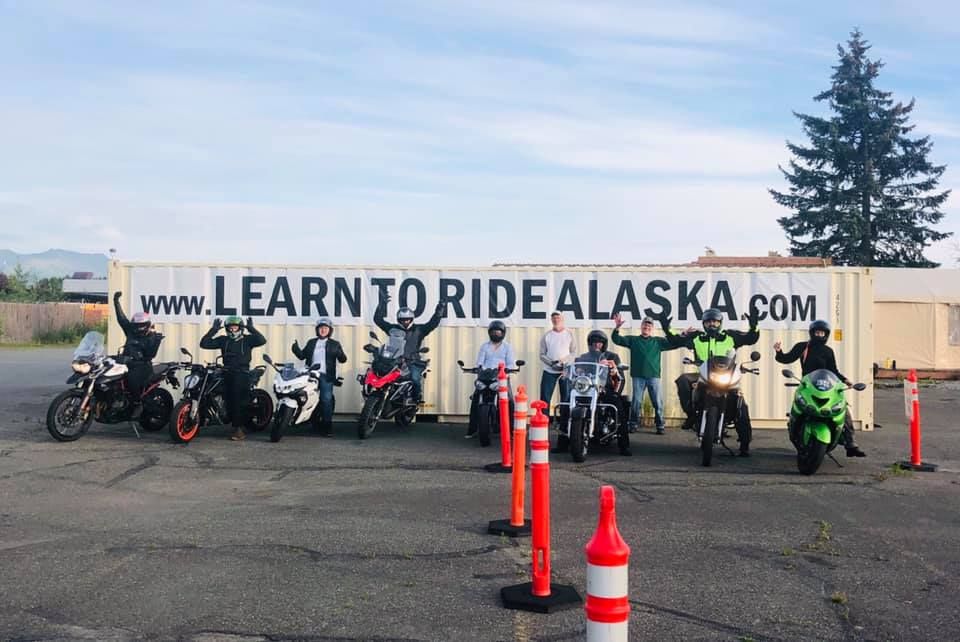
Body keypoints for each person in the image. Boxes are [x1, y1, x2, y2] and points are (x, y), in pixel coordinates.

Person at [672, 307, 759, 456]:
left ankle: (745, 444)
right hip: (704, 374)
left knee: (741, 405)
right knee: (682, 380)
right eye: (708, 322)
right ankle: (691, 414)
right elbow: (675, 340)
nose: (712, 324)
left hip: (726, 375)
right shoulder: (697, 337)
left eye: (715, 322)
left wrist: (754, 324)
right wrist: (669, 328)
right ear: (704, 324)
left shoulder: (730, 336)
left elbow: (751, 338)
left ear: (720, 323)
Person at [775, 319, 866, 457]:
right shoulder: (802, 347)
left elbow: (833, 370)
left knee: (843, 408)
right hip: (808, 385)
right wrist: (779, 351)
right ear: (812, 333)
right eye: (817, 332)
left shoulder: (828, 351)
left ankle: (850, 443)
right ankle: (795, 428)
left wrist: (846, 381)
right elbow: (786, 358)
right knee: (799, 405)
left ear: (826, 334)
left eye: (822, 332)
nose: (819, 335)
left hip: (825, 386)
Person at [553, 330, 632, 456]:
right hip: (586, 390)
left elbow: (619, 376)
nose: (596, 345)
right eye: (594, 342)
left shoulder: (612, 357)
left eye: (600, 343)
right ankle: (562, 444)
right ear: (589, 343)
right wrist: (569, 371)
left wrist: (613, 368)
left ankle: (624, 446)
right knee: (566, 405)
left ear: (604, 344)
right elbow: (577, 371)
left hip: (604, 389)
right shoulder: (582, 358)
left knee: (619, 408)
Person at [612, 313, 687, 434]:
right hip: (638, 377)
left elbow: (674, 343)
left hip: (654, 377)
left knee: (657, 402)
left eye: (649, 326)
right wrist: (617, 328)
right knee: (636, 402)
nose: (647, 327)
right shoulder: (633, 340)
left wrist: (683, 335)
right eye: (645, 325)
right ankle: (633, 424)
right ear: (641, 327)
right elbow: (617, 340)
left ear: (652, 329)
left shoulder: (658, 341)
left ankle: (660, 425)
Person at [200, 315, 266, 441]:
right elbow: (204, 344)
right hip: (226, 370)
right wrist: (213, 330)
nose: (232, 330)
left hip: (242, 373)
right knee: (208, 384)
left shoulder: (247, 340)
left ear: (240, 328)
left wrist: (252, 328)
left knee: (235, 396)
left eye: (235, 327)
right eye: (230, 327)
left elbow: (262, 340)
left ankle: (238, 429)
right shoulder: (223, 340)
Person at [373, 293, 445, 403]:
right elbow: (378, 320)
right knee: (379, 375)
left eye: (407, 319)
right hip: (394, 360)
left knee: (415, 378)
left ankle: (416, 398)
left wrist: (440, 309)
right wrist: (381, 305)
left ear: (411, 319)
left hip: (412, 361)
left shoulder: (419, 330)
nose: (405, 321)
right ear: (399, 320)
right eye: (402, 319)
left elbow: (432, 323)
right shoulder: (392, 329)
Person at [291, 317, 347, 437]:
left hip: (326, 376)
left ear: (330, 330)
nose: (323, 330)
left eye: (326, 328)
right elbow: (302, 356)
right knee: (303, 395)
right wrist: (296, 349)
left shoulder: (334, 344)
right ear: (317, 330)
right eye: (321, 328)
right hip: (311, 373)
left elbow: (343, 360)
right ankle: (303, 419)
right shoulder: (311, 342)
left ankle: (327, 427)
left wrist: (339, 353)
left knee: (325, 399)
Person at [466, 320, 516, 438]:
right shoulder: (485, 346)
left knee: (510, 401)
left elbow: (510, 363)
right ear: (489, 333)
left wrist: (508, 369)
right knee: (475, 399)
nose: (496, 334)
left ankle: (511, 430)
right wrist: (477, 368)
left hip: (501, 377)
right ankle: (472, 429)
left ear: (503, 333)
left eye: (498, 332)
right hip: (485, 376)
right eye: (493, 332)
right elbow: (480, 361)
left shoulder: (507, 347)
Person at [112, 291, 163, 404]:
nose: (138, 328)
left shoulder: (152, 336)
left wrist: (156, 341)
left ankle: (137, 403)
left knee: (131, 378)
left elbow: (151, 354)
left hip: (142, 366)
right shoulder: (130, 330)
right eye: (136, 325)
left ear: (147, 325)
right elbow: (121, 318)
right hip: (125, 362)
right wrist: (116, 302)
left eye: (141, 325)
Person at [539, 311, 576, 416]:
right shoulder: (547, 336)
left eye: (558, 318)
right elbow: (541, 354)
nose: (556, 320)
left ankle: (564, 424)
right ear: (551, 320)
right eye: (554, 318)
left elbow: (573, 352)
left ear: (562, 319)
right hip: (549, 371)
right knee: (545, 397)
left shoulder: (570, 334)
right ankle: (544, 422)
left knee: (566, 397)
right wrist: (551, 363)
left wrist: (564, 362)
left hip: (565, 371)